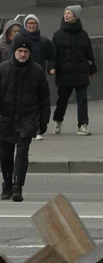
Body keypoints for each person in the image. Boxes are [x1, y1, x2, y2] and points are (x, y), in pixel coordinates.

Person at [0, 33, 51, 202]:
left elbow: (44, 98)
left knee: (22, 153)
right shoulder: (3, 69)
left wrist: (43, 121)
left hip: (27, 118)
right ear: (14, 51)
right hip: (5, 119)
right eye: (20, 51)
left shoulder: (36, 71)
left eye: (26, 51)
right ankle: (6, 184)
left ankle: (17, 186)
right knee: (5, 155)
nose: (23, 54)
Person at [51, 5, 95, 136]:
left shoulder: (83, 34)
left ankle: (82, 125)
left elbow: (89, 53)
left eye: (69, 13)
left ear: (75, 16)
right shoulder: (58, 35)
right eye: (65, 13)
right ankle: (58, 120)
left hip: (81, 72)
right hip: (65, 73)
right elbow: (53, 54)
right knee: (63, 100)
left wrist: (92, 69)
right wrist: (52, 67)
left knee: (82, 100)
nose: (66, 15)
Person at [21, 14, 55, 141]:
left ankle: (37, 129)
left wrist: (51, 67)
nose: (31, 25)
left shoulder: (44, 41)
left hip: (39, 76)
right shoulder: (20, 39)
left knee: (38, 103)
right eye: (29, 23)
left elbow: (52, 55)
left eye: (33, 23)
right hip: (23, 76)